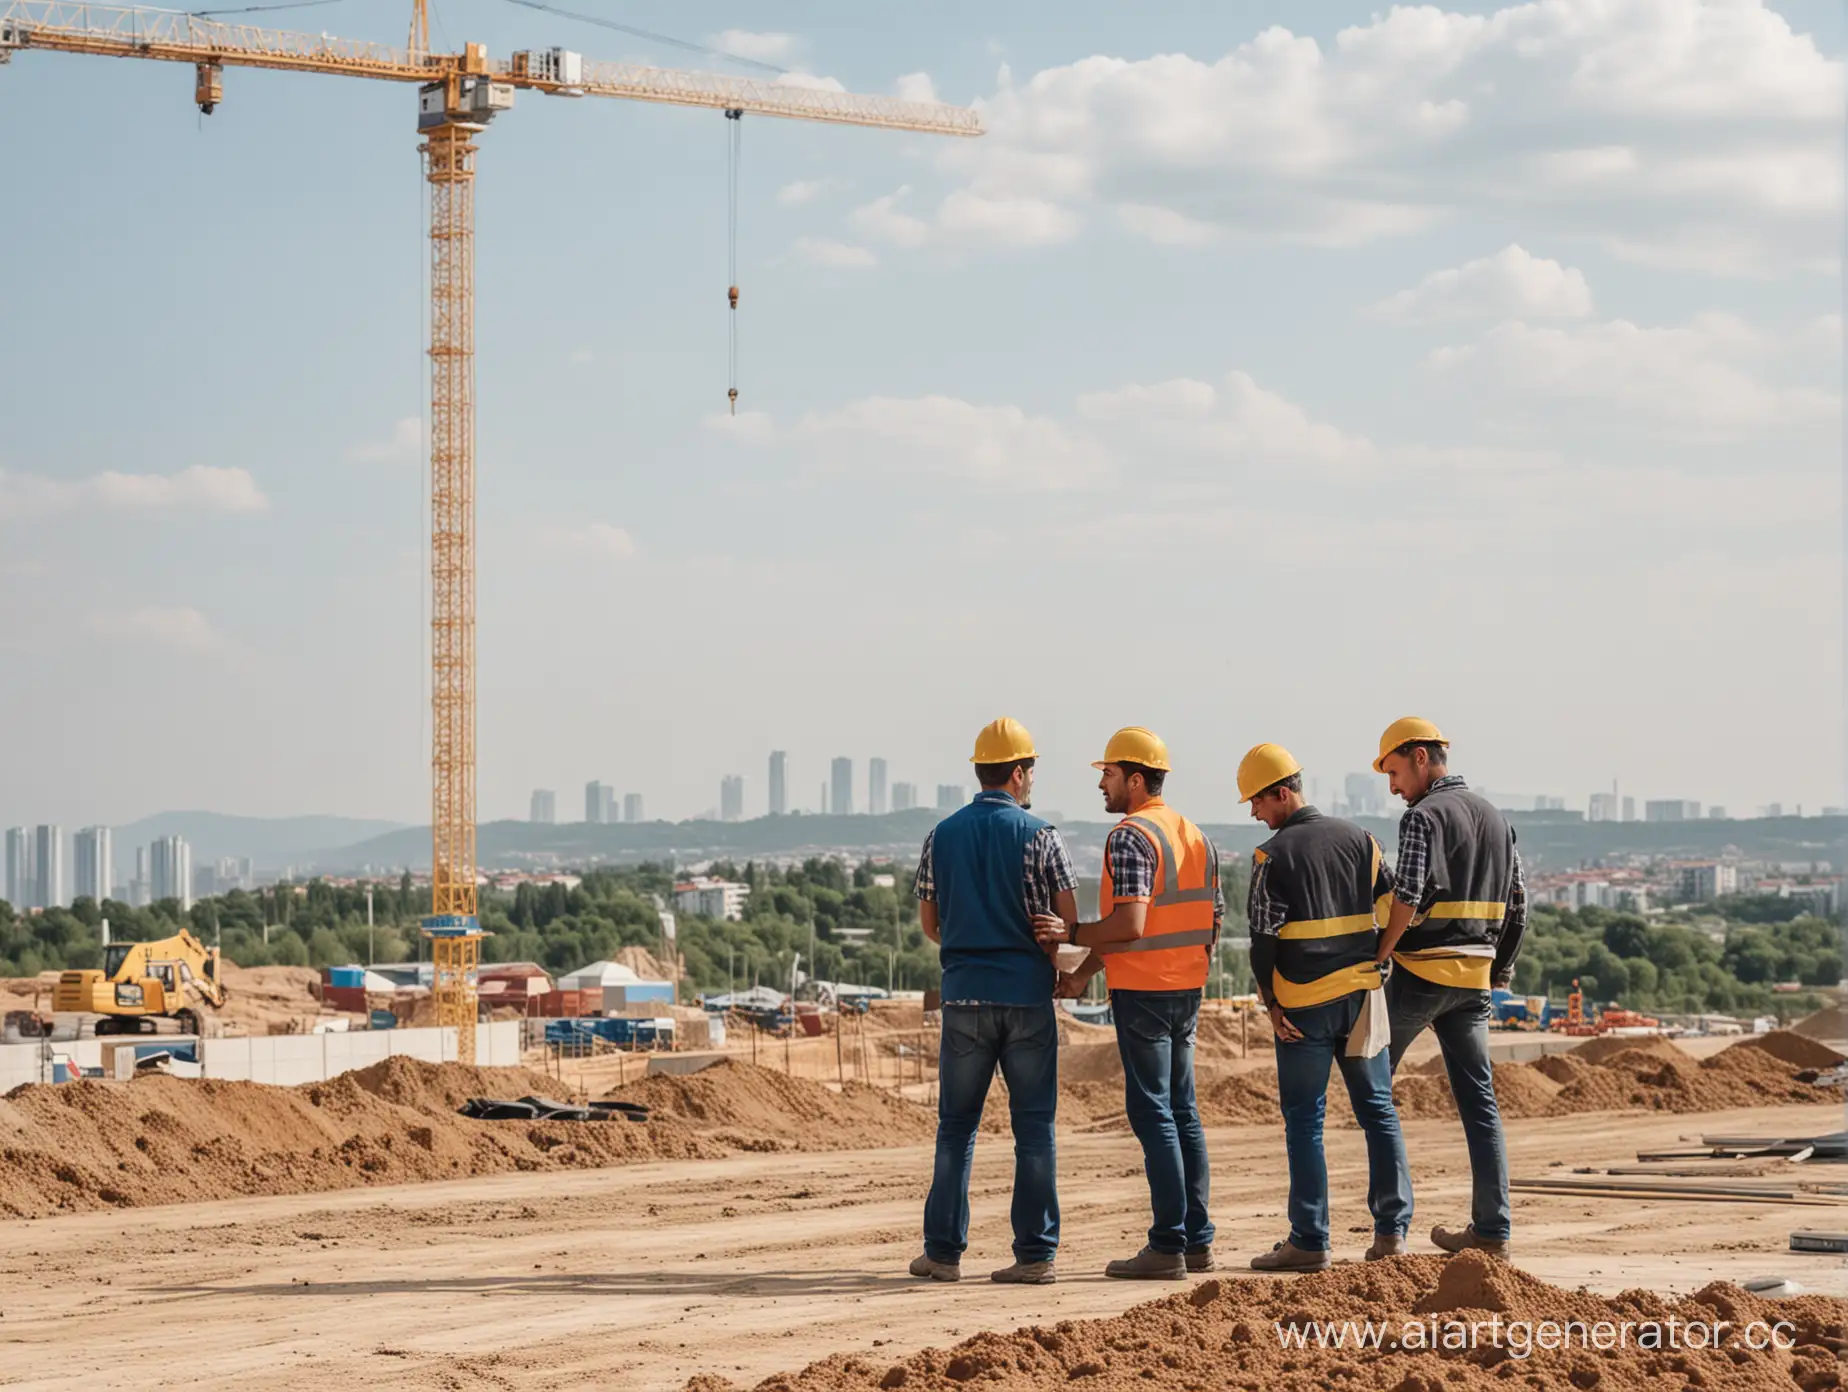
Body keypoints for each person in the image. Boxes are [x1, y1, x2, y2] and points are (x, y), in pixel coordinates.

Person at [1033, 726, 1221, 1280]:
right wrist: (1085, 972)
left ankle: (1167, 1244)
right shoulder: (1195, 836)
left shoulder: (1130, 836)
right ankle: (1197, 1241)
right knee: (1183, 1112)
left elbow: (1131, 924)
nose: (1102, 787)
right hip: (1185, 987)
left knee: (1153, 1112)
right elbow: (1205, 921)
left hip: (1146, 991)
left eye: (1109, 776)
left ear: (1136, 779)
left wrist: (1069, 932)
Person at [909, 717, 1079, 1285]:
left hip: (963, 1000)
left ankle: (942, 1254)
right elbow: (1068, 922)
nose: (1030, 781)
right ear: (1016, 773)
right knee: (1034, 1130)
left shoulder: (941, 835)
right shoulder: (1042, 835)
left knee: (955, 1129)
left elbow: (931, 923)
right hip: (1027, 997)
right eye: (1029, 771)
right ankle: (1035, 1256)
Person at [1238, 742, 1413, 1272]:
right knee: (1378, 1111)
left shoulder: (1272, 856)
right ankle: (1392, 1234)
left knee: (1304, 1121)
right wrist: (1378, 959)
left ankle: (1310, 1241)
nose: (1254, 813)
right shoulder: (1364, 841)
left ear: (1282, 793)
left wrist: (1270, 1004)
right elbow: (1396, 908)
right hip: (1361, 1001)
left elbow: (1262, 940)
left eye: (1257, 802)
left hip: (1302, 1005)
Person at [1371, 717, 1528, 1258]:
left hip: (1421, 974)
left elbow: (1408, 897)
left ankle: (1391, 1231)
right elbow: (1518, 907)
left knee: (1372, 1085)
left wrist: (1379, 953)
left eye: (1393, 772)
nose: (1393, 788)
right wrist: (1499, 970)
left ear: (1419, 757)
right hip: (1475, 980)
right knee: (1479, 1103)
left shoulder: (1423, 817)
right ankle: (1492, 1233)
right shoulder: (1496, 817)